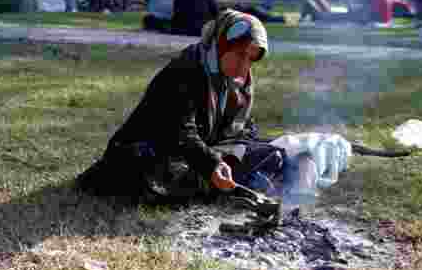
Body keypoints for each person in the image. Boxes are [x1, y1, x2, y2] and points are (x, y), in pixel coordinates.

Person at [75, 10, 317, 204]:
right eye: (240, 54)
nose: (245, 67)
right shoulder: (186, 70)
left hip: (195, 151)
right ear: (221, 44)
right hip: (152, 152)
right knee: (167, 175)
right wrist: (212, 164)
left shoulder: (235, 81)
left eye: (251, 59)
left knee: (272, 155)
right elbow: (180, 131)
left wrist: (237, 151)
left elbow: (229, 133)